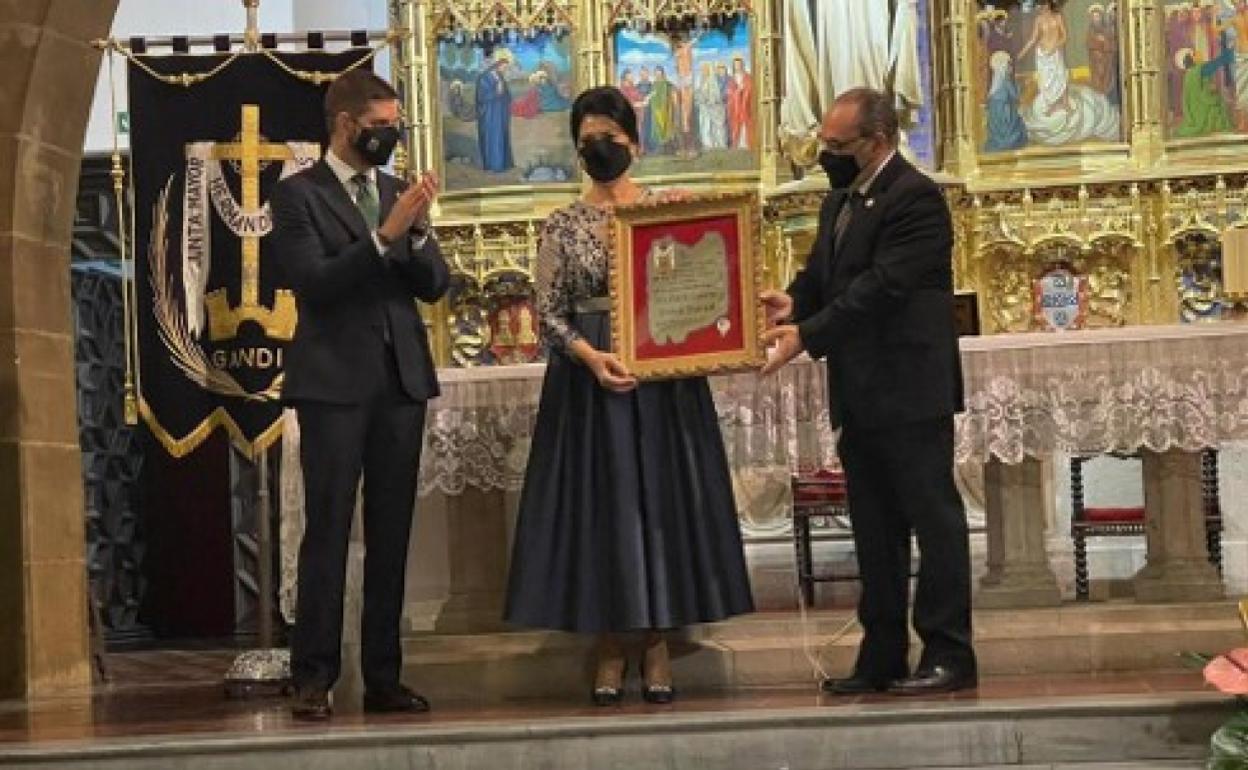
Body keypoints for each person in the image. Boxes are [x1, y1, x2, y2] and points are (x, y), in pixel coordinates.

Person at [504, 86, 754, 706]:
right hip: (592, 385)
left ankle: (659, 639)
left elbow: (702, 295)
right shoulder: (563, 223)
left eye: (609, 140)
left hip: (664, 385)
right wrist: (591, 356)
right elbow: (551, 313)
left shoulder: (666, 213)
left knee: (661, 507)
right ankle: (612, 642)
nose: (598, 150)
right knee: (606, 510)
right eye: (587, 142)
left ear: (635, 143)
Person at [760, 88, 976, 696]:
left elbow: (880, 288)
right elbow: (826, 276)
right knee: (874, 528)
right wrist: (794, 301)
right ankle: (881, 654)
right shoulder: (841, 200)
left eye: (836, 145)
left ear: (878, 142)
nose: (825, 155)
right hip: (861, 388)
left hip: (909, 388)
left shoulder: (916, 198)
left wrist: (805, 333)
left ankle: (949, 653)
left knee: (933, 520)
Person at [271, 69, 450, 720]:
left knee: (392, 533)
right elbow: (314, 282)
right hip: (334, 385)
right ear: (346, 125)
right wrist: (383, 236)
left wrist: (418, 232)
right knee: (329, 530)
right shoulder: (298, 196)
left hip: (399, 380)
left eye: (395, 126)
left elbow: (434, 285)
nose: (391, 137)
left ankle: (384, 677)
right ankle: (314, 676)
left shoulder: (396, 190)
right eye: (380, 127)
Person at [476, 49, 515, 172]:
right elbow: (481, 98)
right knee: (492, 139)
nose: (505, 69)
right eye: (505, 66)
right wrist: (496, 93)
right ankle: (493, 166)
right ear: (498, 64)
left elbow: (506, 95)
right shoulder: (484, 77)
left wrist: (506, 96)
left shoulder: (500, 76)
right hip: (489, 115)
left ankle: (503, 164)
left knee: (501, 137)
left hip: (501, 114)